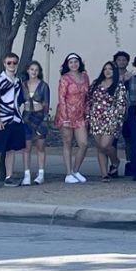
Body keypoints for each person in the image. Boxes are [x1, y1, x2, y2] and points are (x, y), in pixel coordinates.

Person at [0, 53, 26, 188]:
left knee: (11, 150)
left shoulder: (17, 81)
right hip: (2, 120)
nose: (12, 65)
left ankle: (9, 177)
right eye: (9, 63)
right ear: (4, 64)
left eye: (14, 62)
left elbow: (20, 100)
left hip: (15, 120)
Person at [86, 61, 127, 183]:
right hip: (96, 119)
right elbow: (89, 100)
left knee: (105, 145)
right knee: (100, 147)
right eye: (105, 69)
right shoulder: (96, 84)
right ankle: (104, 174)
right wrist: (88, 116)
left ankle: (115, 161)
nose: (107, 71)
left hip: (111, 119)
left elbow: (121, 104)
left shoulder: (119, 86)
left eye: (110, 69)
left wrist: (117, 119)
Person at [55, 53, 90, 183]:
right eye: (71, 62)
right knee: (67, 143)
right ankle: (68, 172)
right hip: (67, 115)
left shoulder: (85, 76)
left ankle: (76, 170)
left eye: (76, 62)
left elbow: (87, 96)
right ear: (67, 65)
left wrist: (87, 113)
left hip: (80, 115)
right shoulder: (65, 78)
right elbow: (61, 98)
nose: (74, 64)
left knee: (83, 143)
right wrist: (64, 117)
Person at [20, 60, 50, 186]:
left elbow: (46, 104)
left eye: (36, 70)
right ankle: (27, 174)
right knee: (26, 148)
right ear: (28, 70)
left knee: (40, 146)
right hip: (26, 117)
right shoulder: (23, 85)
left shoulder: (43, 86)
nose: (34, 72)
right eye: (32, 69)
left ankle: (41, 174)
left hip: (39, 117)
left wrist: (43, 119)